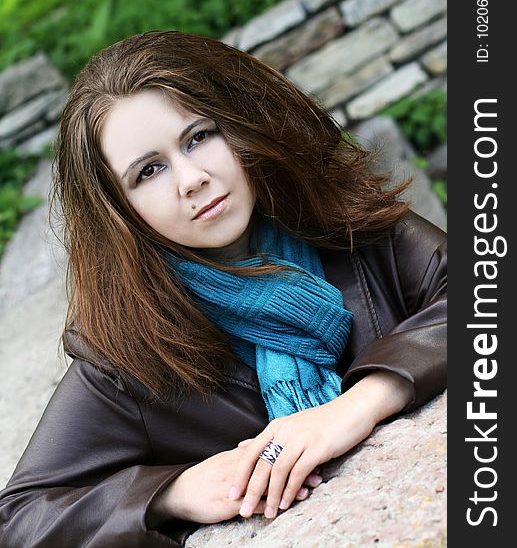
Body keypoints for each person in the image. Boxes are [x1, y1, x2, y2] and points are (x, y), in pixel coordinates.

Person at [0, 30, 446, 547]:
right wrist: (174, 492)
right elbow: (21, 519)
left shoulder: (342, 224)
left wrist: (358, 405)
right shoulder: (128, 355)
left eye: (198, 137)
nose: (191, 178)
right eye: (149, 171)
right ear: (120, 212)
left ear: (240, 126)